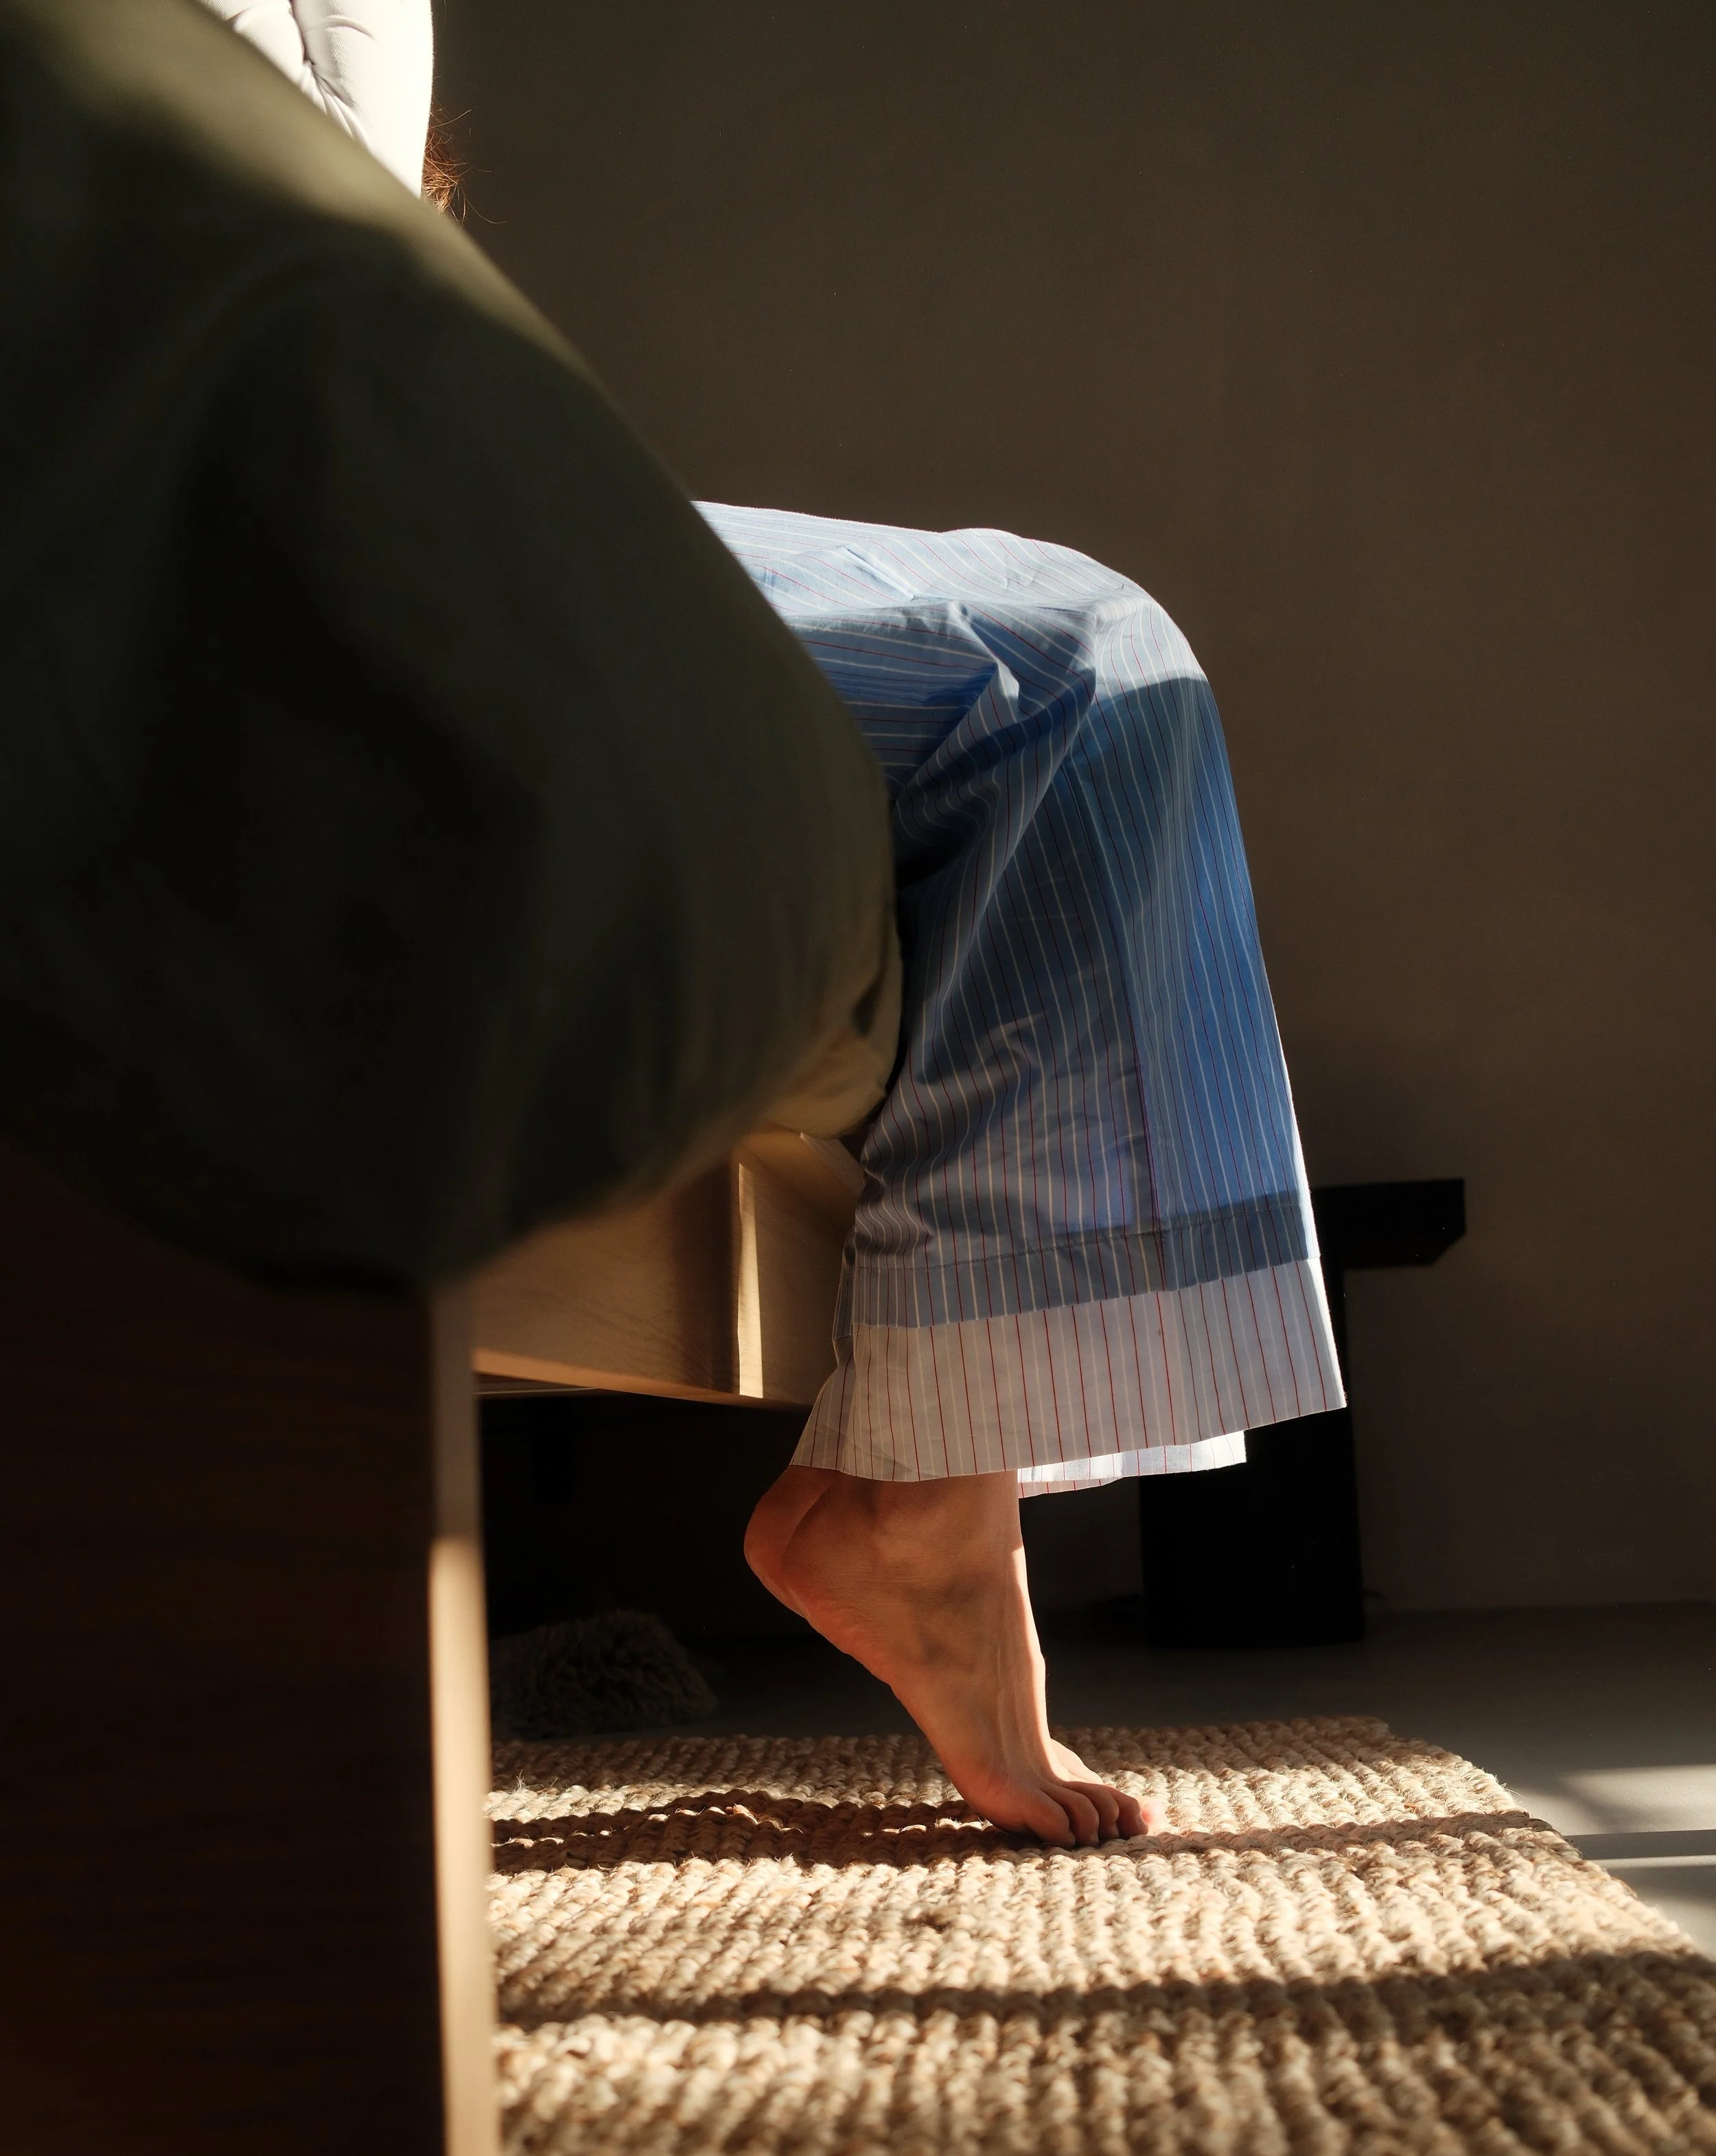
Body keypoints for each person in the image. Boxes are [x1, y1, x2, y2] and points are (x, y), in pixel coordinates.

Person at [195, 0, 1345, 1849]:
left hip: (335, 473)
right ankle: (921, 1506)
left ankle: (930, 1503)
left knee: (1088, 673)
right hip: (266, 520)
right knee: (1067, 672)